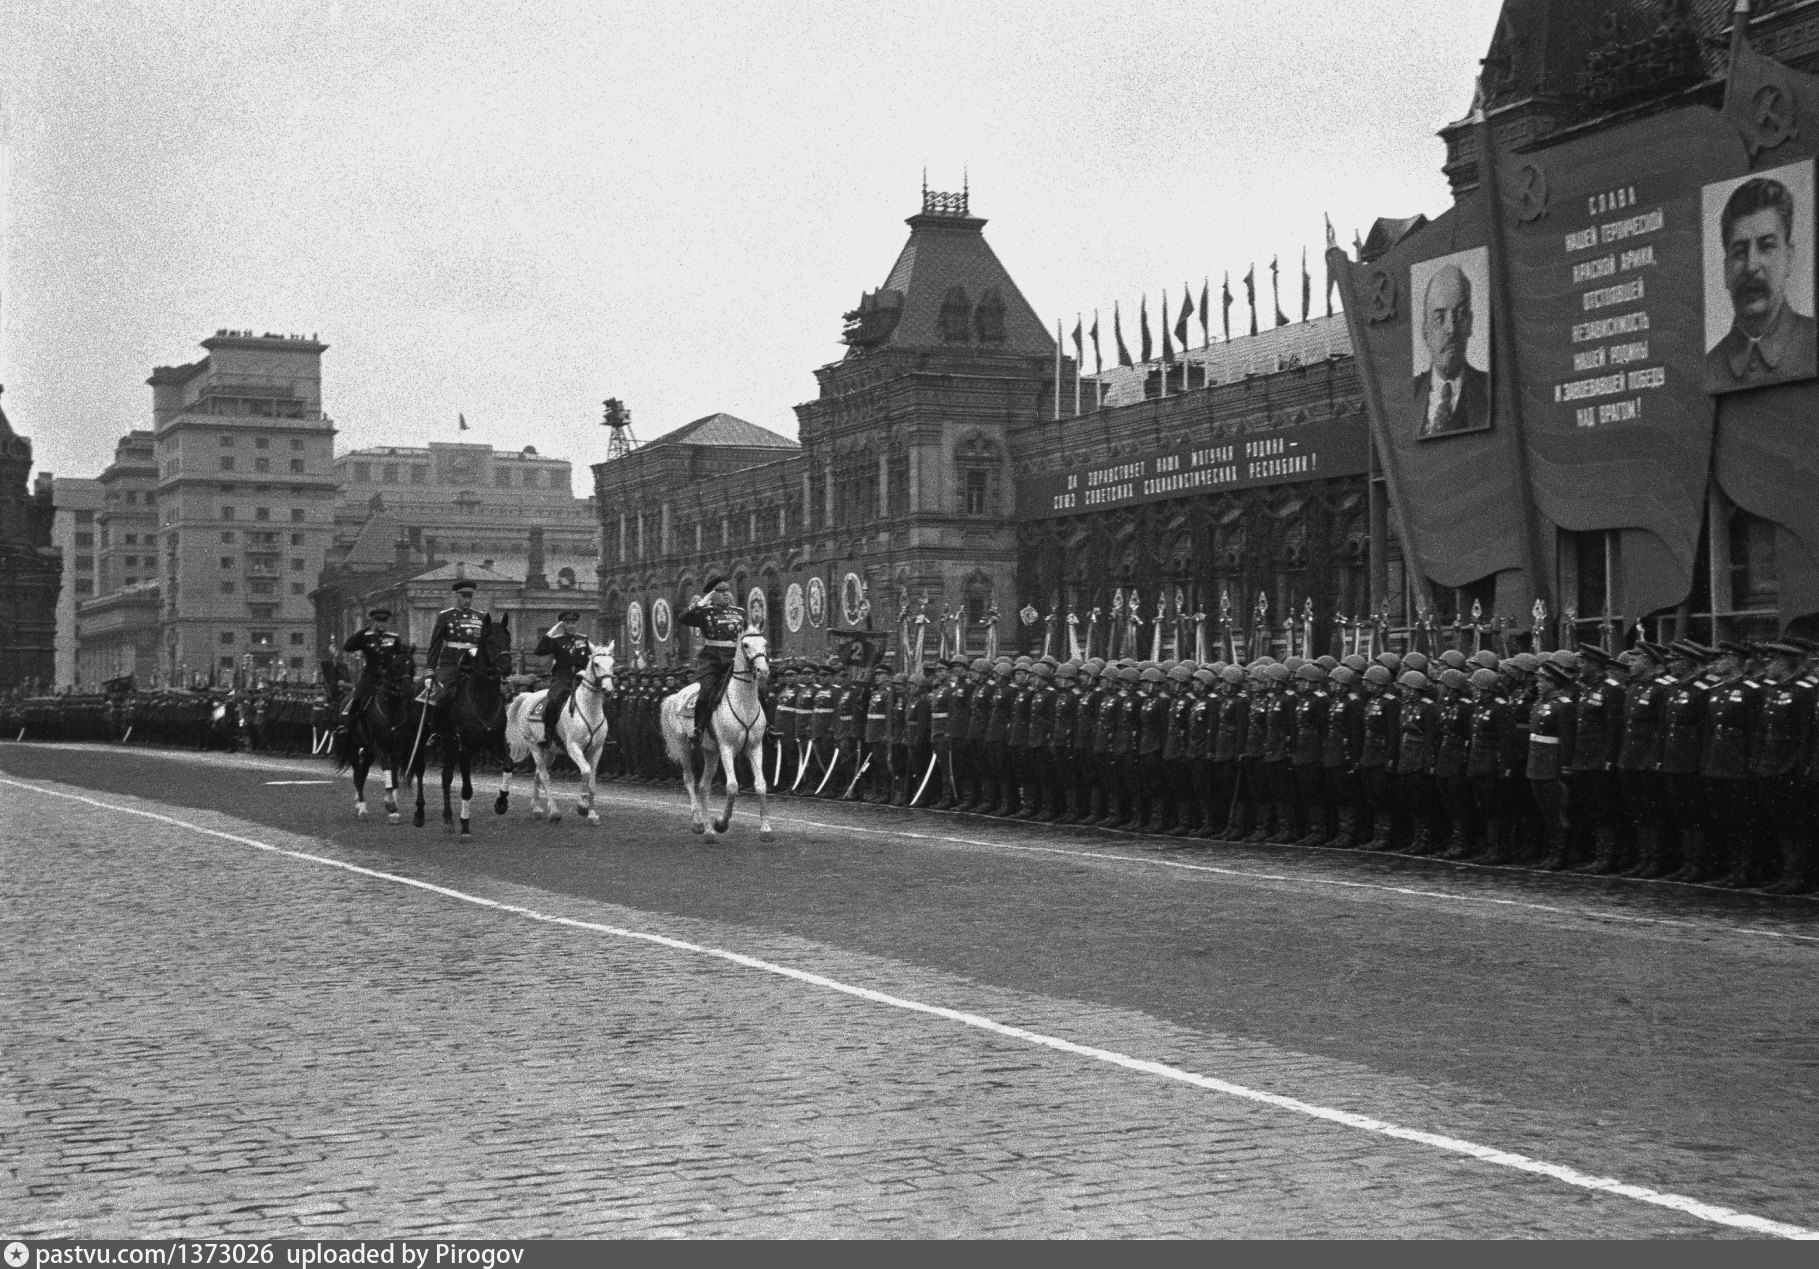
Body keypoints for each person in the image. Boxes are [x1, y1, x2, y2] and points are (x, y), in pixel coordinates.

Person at [1704, 176, 1819, 392]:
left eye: (1766, 246)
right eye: (1739, 251)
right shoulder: (1708, 369)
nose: (1751, 266)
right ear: (1725, 270)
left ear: (1789, 258)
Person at [1413, 263, 1491, 437]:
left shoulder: (1490, 388)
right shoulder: (1408, 395)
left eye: (1460, 313)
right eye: (1440, 317)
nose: (1451, 328)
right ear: (1425, 332)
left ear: (1470, 323)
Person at [678, 576, 747, 747]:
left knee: (757, 686)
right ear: (712, 595)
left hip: (735, 660)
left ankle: (768, 728)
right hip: (713, 660)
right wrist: (700, 604)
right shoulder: (704, 612)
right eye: (721, 592)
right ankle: (699, 729)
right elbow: (683, 618)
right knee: (706, 689)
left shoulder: (740, 612)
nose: (726, 594)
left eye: (727, 591)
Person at [337, 606, 405, 739]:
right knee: (358, 697)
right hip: (370, 675)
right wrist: (363, 630)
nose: (381, 624)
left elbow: (400, 658)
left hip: (389, 676)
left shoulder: (394, 638)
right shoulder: (366, 637)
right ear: (373, 622)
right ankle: (349, 727)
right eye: (378, 621)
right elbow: (348, 646)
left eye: (384, 621)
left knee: (405, 697)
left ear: (387, 622)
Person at [425, 580, 492, 703]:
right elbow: (435, 645)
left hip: (474, 663)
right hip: (451, 663)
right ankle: (437, 722)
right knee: (441, 696)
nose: (467, 600)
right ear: (457, 596)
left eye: (470, 596)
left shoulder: (481, 617)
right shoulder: (445, 616)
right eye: (464, 596)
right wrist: (430, 670)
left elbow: (487, 644)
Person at [535, 609, 593, 748]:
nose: (571, 625)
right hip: (562, 678)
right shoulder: (556, 640)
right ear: (563, 625)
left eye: (573, 623)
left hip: (580, 678)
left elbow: (591, 657)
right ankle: (548, 735)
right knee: (553, 701)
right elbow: (539, 651)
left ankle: (601, 734)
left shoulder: (583, 639)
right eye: (567, 623)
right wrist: (551, 632)